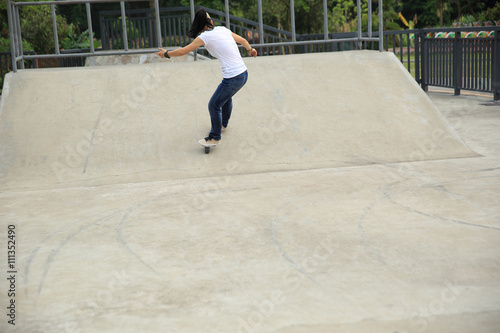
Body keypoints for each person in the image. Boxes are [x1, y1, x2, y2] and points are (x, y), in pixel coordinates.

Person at [156, 9, 258, 148]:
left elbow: (184, 51)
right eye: (209, 18)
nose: (211, 20)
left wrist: (167, 54)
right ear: (207, 22)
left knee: (214, 105)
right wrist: (250, 50)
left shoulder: (205, 37)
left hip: (233, 78)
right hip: (243, 74)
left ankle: (215, 137)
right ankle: (223, 124)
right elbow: (244, 40)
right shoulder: (223, 30)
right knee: (226, 98)